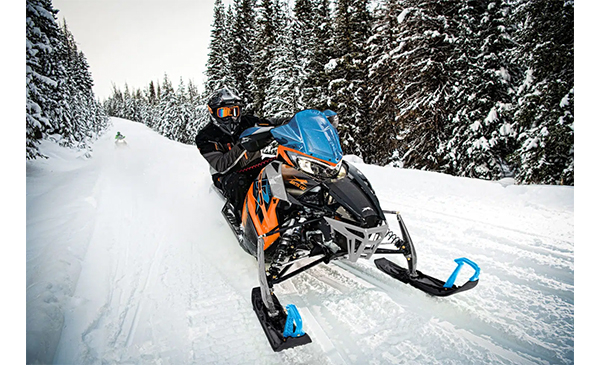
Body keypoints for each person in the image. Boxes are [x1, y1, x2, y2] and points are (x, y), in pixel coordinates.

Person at [195, 87, 287, 221]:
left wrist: (294, 121)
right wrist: (244, 144)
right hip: (226, 176)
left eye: (234, 111)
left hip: (253, 166)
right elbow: (221, 165)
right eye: (224, 112)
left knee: (281, 164)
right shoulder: (206, 137)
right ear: (214, 113)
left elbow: (271, 122)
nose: (231, 116)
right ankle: (244, 224)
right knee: (238, 183)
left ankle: (289, 209)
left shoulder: (248, 122)